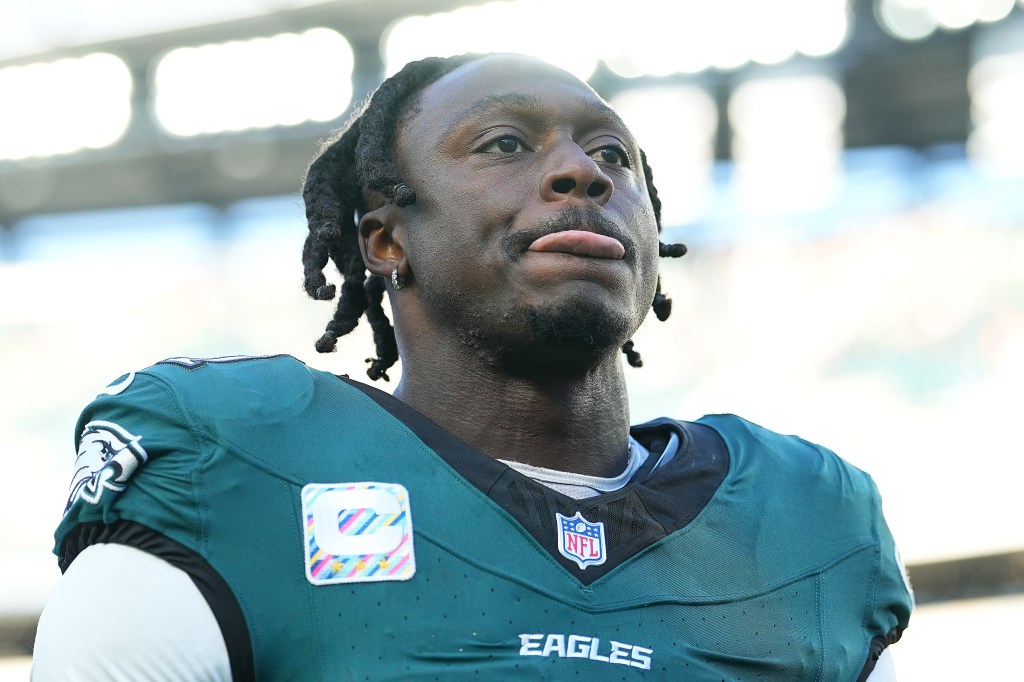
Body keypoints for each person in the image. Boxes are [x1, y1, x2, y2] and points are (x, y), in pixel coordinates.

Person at [33, 53, 912, 681]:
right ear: (386, 239)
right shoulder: (231, 470)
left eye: (613, 156)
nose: (581, 173)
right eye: (504, 144)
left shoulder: (810, 524)